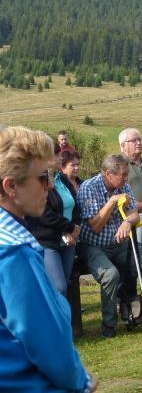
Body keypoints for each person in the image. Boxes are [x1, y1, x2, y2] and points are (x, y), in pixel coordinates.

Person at [0, 126, 97, 392]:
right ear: (11, 186)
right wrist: (82, 381)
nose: (50, 186)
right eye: (43, 178)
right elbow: (47, 343)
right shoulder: (14, 253)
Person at [77, 154, 142, 338]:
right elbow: (95, 226)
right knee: (110, 275)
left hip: (121, 243)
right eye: (123, 175)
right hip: (94, 245)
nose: (126, 178)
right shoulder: (88, 188)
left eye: (127, 174)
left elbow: (134, 214)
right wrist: (111, 202)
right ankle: (109, 326)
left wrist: (127, 222)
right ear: (108, 174)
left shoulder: (123, 186)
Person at [26, 155, 81, 296]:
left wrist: (74, 229)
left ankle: (60, 310)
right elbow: (45, 215)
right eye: (55, 155)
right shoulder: (37, 181)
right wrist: (69, 228)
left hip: (68, 242)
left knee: (64, 285)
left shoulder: (61, 178)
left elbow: (75, 205)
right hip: (48, 241)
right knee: (59, 287)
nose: (59, 158)